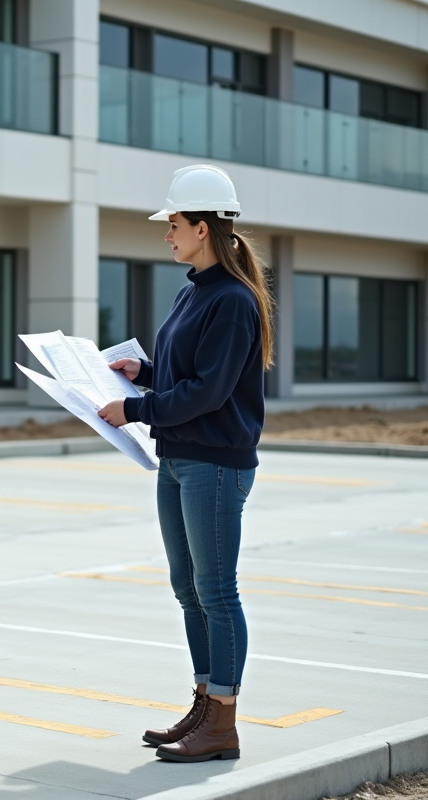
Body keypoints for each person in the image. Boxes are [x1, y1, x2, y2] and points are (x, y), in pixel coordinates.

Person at [97, 165, 274, 763]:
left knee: (216, 591)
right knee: (187, 588)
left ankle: (222, 721)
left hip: (215, 464)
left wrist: (136, 407)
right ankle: (203, 703)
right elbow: (185, 377)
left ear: (203, 226)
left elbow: (210, 392)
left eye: (173, 224)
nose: (166, 234)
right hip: (178, 459)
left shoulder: (232, 299)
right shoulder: (193, 290)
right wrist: (142, 374)